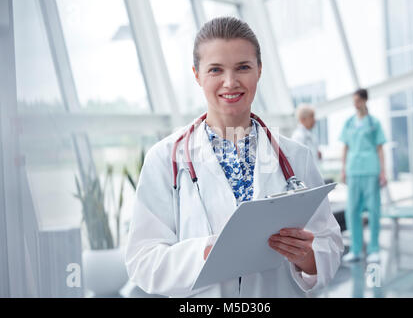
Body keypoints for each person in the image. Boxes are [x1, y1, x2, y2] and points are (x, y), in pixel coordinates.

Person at [125, 17, 343, 298]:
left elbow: (330, 243)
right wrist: (204, 252)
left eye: (243, 67)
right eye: (215, 69)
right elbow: (143, 261)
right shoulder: (165, 159)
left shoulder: (295, 156)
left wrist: (308, 257)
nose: (230, 82)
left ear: (259, 71)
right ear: (197, 74)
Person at [340, 88, 387, 263]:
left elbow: (380, 149)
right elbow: (345, 147)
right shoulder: (349, 123)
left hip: (371, 170)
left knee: (374, 210)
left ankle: (374, 248)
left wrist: (383, 171)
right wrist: (343, 169)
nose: (355, 104)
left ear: (365, 101)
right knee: (352, 211)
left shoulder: (374, 123)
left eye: (358, 100)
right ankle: (356, 249)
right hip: (353, 170)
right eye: (354, 101)